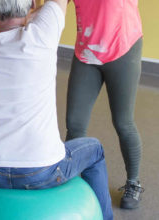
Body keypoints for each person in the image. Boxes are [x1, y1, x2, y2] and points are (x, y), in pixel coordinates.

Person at [0, 0, 113, 219]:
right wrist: (33, 13)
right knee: (95, 149)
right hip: (41, 170)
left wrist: (28, 14)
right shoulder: (43, 34)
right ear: (32, 3)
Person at [65, 0, 144, 209]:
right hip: (87, 50)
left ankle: (133, 182)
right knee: (74, 124)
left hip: (123, 49)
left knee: (123, 122)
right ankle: (70, 181)